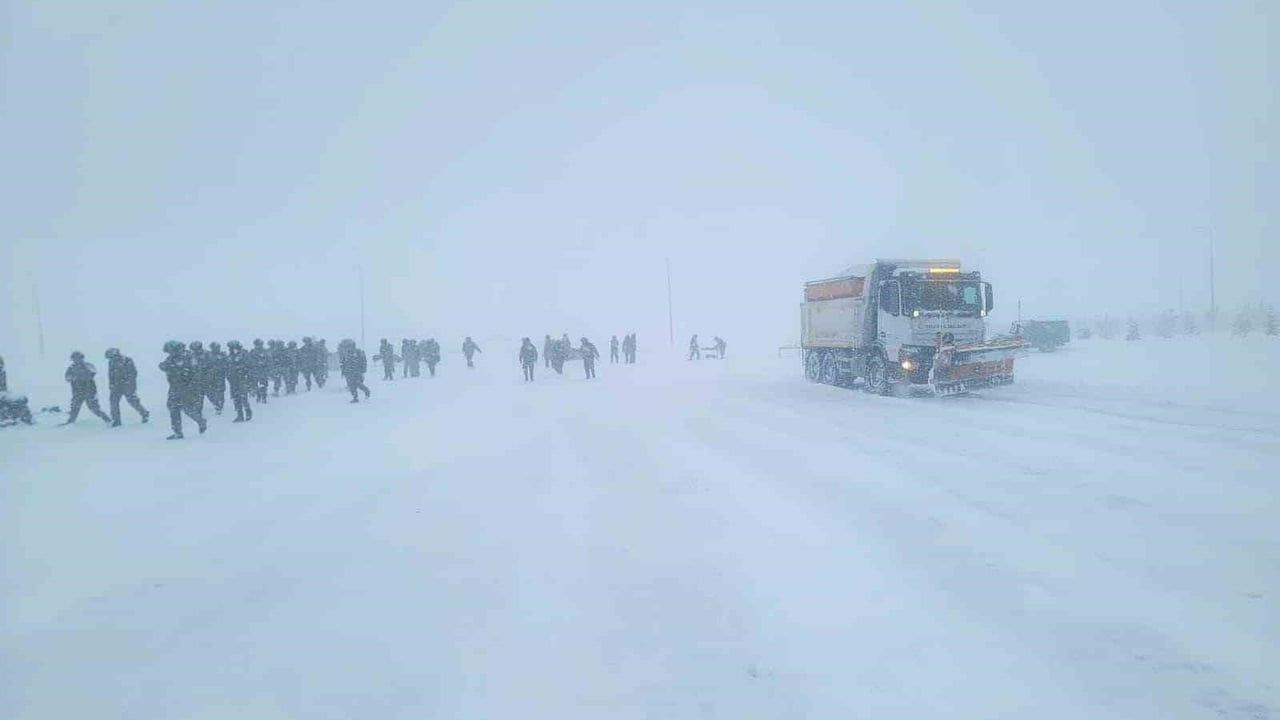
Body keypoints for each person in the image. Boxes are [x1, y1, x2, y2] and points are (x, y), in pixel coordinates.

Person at [159, 341, 206, 439]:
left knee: (187, 409)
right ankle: (177, 431)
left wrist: (191, 386)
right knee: (173, 408)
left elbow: (191, 371)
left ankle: (200, 421)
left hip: (187, 387)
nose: (169, 353)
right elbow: (164, 365)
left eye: (170, 351)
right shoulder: (172, 357)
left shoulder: (188, 356)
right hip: (175, 387)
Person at [62, 351, 112, 425]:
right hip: (77, 391)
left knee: (94, 408)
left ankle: (107, 420)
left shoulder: (88, 365)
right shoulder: (71, 368)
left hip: (90, 391)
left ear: (82, 358)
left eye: (78, 358)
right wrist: (74, 377)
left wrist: (78, 376)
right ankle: (71, 421)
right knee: (74, 407)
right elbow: (67, 378)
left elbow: (91, 374)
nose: (76, 360)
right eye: (74, 359)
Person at [105, 348, 150, 426]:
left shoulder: (127, 360)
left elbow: (133, 373)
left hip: (128, 385)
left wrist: (129, 384)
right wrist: (111, 384)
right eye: (110, 358)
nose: (112, 359)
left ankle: (144, 413)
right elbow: (111, 374)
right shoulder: (111, 362)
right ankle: (116, 421)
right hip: (116, 386)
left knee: (133, 401)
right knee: (113, 402)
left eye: (112, 357)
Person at [226, 340, 254, 422]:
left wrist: (241, 369)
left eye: (232, 347)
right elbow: (228, 367)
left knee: (243, 396)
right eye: (230, 348)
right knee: (235, 397)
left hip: (242, 378)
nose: (231, 349)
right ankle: (239, 415)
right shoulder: (230, 356)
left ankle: (248, 411)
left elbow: (250, 365)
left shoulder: (244, 354)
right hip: (233, 380)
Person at [205, 341, 228, 414]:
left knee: (220, 392)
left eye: (217, 347)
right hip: (210, 376)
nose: (216, 349)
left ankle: (220, 406)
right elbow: (204, 364)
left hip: (220, 376)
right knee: (209, 392)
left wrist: (220, 369)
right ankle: (216, 403)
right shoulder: (207, 355)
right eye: (214, 347)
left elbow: (226, 364)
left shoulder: (223, 355)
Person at [249, 339, 270, 403]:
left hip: (263, 371)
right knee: (256, 385)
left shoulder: (265, 352)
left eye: (260, 344)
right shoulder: (252, 352)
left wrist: (267, 367)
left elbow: (269, 361)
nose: (258, 346)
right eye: (257, 344)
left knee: (263, 385)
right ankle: (258, 396)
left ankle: (264, 397)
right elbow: (249, 361)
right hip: (255, 371)